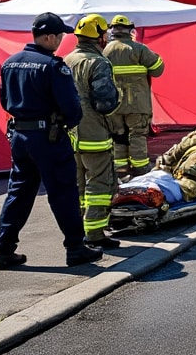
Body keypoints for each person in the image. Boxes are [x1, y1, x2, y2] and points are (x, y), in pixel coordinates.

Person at [0, 13, 104, 270]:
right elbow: (72, 108)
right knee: (63, 192)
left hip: (20, 136)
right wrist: (65, 123)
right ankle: (76, 248)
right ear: (49, 37)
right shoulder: (53, 66)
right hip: (49, 138)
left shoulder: (10, 63)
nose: (61, 40)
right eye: (60, 36)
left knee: (18, 193)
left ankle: (4, 250)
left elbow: (3, 101)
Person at [64, 13, 123, 250]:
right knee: (99, 183)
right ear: (99, 37)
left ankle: (78, 232)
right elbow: (105, 102)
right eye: (104, 33)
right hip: (94, 134)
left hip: (72, 135)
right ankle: (95, 234)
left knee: (77, 185)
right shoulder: (98, 63)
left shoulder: (66, 60)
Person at [102, 14, 165, 178]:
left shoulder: (104, 51)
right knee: (137, 134)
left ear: (112, 30)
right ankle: (140, 170)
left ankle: (121, 170)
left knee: (118, 135)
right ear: (130, 30)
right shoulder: (139, 49)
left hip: (114, 103)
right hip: (137, 103)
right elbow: (158, 69)